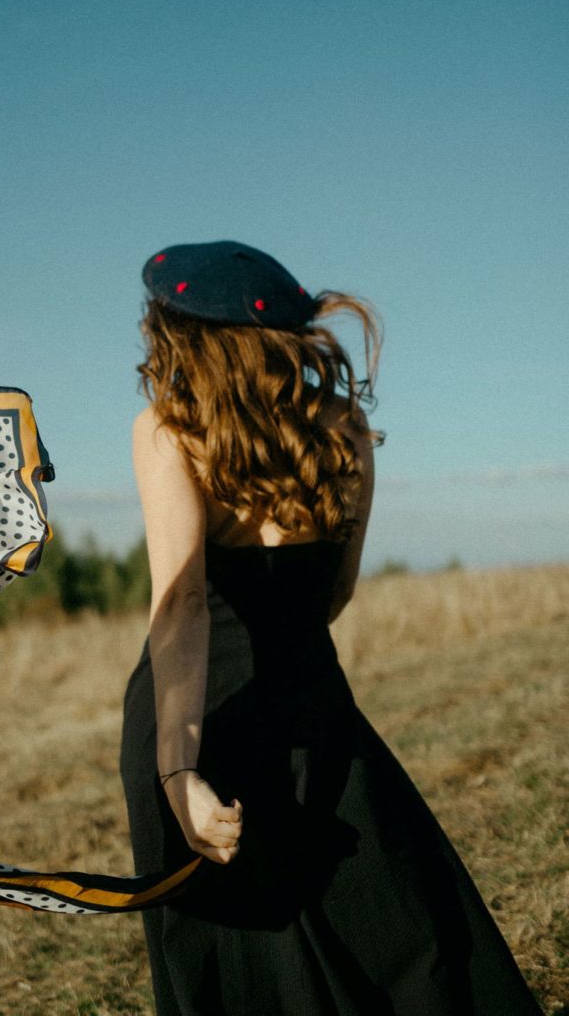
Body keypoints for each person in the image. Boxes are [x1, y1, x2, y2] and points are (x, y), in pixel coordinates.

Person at [118, 240, 543, 1014]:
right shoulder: (344, 427)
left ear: (188, 338)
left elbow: (180, 605)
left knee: (247, 953)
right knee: (397, 922)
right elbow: (336, 588)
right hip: (312, 697)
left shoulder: (168, 431)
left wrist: (177, 773)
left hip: (197, 712)